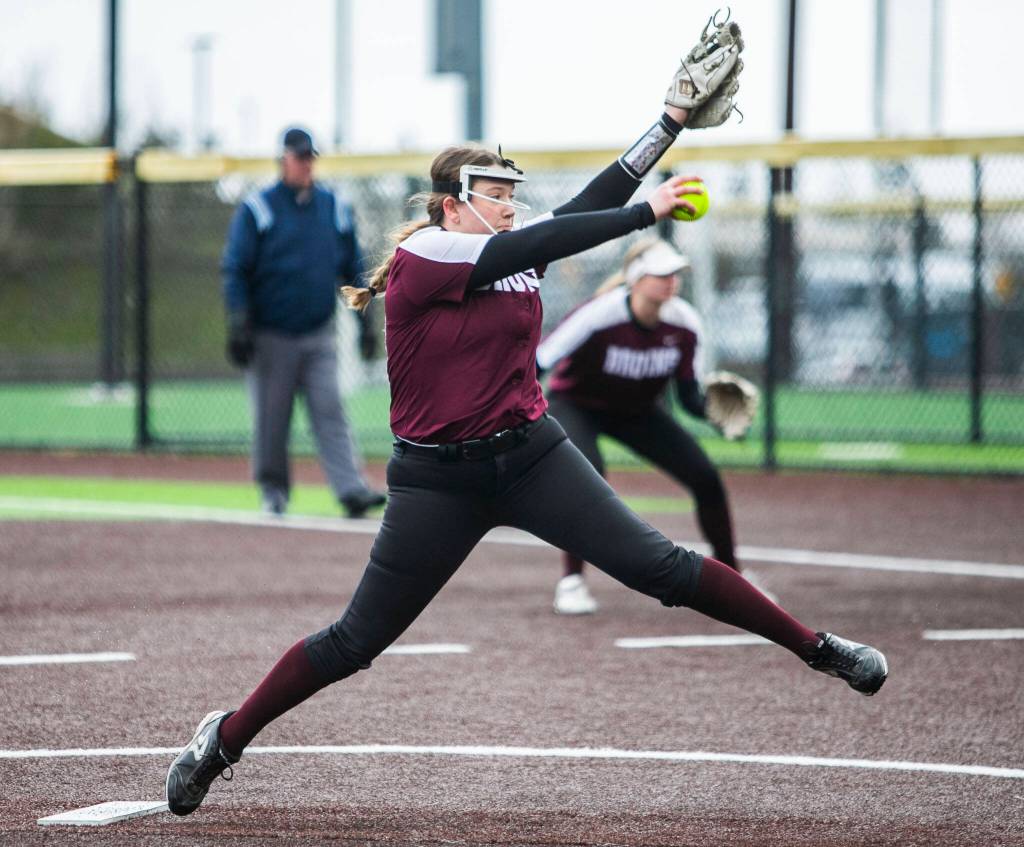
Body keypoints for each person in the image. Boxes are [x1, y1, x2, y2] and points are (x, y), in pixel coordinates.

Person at [167, 22, 888, 817]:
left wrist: (669, 124)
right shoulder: (428, 256)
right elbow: (561, 231)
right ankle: (223, 738)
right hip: (438, 481)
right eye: (496, 196)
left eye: (513, 196)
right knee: (355, 642)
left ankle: (819, 648)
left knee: (663, 570)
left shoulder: (505, 248)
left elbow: (582, 205)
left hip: (533, 454)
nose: (511, 208)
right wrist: (645, 214)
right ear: (452, 204)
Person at [538, 237, 756, 615]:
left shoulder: (684, 322)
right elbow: (541, 361)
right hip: (577, 405)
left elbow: (689, 398)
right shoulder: (601, 314)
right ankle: (571, 580)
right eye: (661, 273)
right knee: (586, 478)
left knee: (705, 477)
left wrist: (714, 412)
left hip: (638, 411)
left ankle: (732, 578)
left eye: (675, 273)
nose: (670, 281)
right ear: (637, 279)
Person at [222, 126, 386, 518]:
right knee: (272, 418)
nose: (306, 164)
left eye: (310, 157)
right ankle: (273, 490)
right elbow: (235, 267)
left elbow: (350, 266)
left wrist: (364, 319)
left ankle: (351, 490)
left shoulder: (333, 206)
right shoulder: (258, 207)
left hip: (318, 331)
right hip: (271, 333)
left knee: (330, 410)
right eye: (299, 157)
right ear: (283, 160)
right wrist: (238, 319)